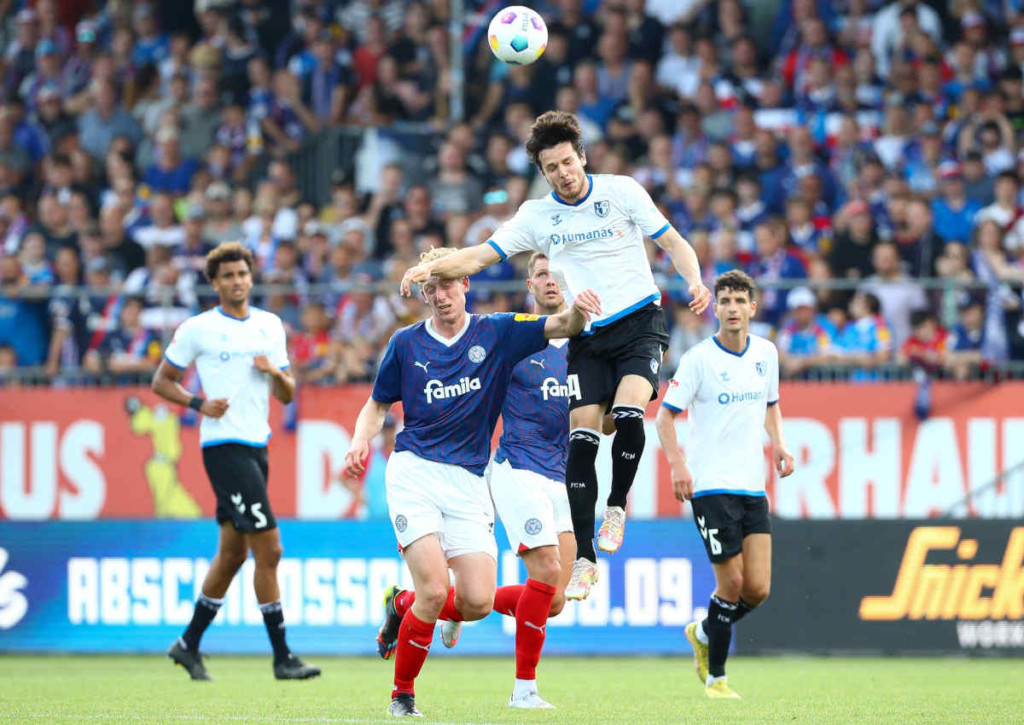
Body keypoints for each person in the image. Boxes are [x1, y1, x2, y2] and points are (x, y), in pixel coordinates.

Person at [400, 111, 711, 601]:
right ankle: (586, 557)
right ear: (542, 173)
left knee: (630, 412)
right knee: (582, 439)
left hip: (639, 323)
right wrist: (428, 270)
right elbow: (479, 257)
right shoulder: (537, 216)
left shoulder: (622, 191)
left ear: (582, 157)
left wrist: (694, 280)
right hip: (588, 333)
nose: (563, 173)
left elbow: (672, 242)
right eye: (552, 167)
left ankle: (616, 508)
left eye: (568, 162)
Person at [344, 246, 600, 717]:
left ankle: (401, 605)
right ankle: (402, 696)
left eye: (448, 283)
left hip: (467, 481)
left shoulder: (498, 331)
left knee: (478, 602)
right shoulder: (405, 343)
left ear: (466, 284)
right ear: (423, 293)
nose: (440, 295)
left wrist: (580, 306)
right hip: (414, 472)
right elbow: (378, 404)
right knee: (436, 591)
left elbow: (563, 326)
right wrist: (361, 439)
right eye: (430, 287)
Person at [152, 242, 319, 682]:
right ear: (215, 283)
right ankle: (283, 657)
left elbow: (287, 394)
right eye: (227, 276)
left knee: (231, 555)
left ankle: (187, 645)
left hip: (256, 446)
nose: (237, 281)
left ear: (251, 276)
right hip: (223, 447)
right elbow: (160, 381)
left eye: (242, 273)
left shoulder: (270, 325)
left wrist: (276, 373)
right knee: (271, 548)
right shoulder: (198, 328)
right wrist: (197, 403)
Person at [439, 252, 579, 709]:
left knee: (554, 599)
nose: (551, 280)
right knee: (547, 572)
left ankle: (433, 605)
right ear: (530, 286)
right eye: (542, 273)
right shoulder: (514, 337)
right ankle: (524, 691)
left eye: (558, 273)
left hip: (565, 475)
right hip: (518, 469)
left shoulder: (589, 346)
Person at [654, 270, 795, 700]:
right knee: (730, 584)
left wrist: (780, 445)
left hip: (753, 486)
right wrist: (678, 466)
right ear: (715, 308)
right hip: (711, 486)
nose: (732, 308)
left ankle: (702, 630)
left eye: (740, 301)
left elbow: (771, 405)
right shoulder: (699, 359)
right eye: (725, 301)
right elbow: (664, 416)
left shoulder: (767, 354)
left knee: (758, 589)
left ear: (753, 307)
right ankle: (716, 679)